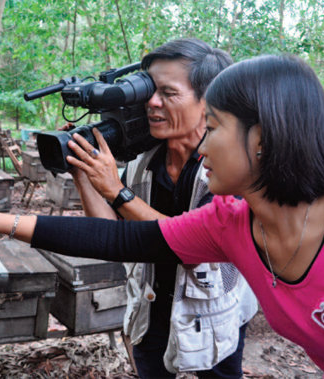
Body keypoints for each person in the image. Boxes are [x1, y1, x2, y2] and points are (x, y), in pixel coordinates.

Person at [0, 54, 324, 378]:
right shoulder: (230, 222)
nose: (204, 144)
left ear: (260, 139)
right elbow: (121, 241)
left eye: (216, 127)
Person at [65, 38, 257, 378]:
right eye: (149, 91)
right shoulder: (144, 163)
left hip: (214, 313)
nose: (153, 103)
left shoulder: (228, 168)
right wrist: (82, 169)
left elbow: (197, 248)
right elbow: (109, 232)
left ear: (207, 101)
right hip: (152, 305)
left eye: (169, 94)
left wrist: (119, 192)